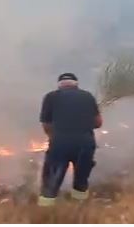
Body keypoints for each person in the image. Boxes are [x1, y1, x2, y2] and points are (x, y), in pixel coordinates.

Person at [37, 73, 102, 207]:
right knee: (81, 180)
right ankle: (80, 211)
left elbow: (46, 124)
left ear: (59, 85)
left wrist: (54, 137)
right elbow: (98, 123)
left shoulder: (50, 97)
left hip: (60, 144)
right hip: (85, 144)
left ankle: (45, 212)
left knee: (51, 180)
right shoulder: (88, 96)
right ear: (76, 84)